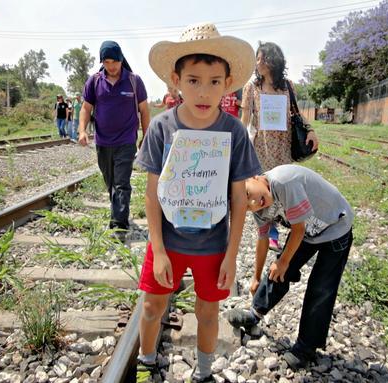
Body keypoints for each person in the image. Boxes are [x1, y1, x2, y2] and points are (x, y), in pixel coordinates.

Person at [135, 22, 261, 383]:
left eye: (214, 81)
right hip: (169, 244)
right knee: (152, 305)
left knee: (208, 311)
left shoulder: (233, 131)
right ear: (176, 80)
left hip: (213, 246)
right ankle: (145, 363)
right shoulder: (162, 128)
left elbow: (239, 198)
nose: (204, 92)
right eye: (193, 80)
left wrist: (232, 255)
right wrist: (157, 250)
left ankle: (203, 373)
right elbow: (151, 194)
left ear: (227, 83)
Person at [227, 164, 354, 370]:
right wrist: (256, 277)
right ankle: (255, 313)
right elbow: (264, 240)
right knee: (277, 270)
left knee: (320, 288)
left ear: (254, 177)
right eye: (247, 205)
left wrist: (283, 261)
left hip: (335, 227)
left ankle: (306, 347)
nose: (253, 203)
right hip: (308, 231)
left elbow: (298, 229)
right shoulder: (259, 207)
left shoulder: (284, 182)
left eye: (249, 193)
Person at [241, 42, 320, 250]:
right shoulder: (252, 87)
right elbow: (245, 117)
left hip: (283, 146)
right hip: (262, 146)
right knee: (263, 188)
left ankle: (292, 225)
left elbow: (296, 113)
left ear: (272, 60)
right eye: (256, 59)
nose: (257, 63)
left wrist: (310, 130)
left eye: (261, 58)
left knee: (282, 186)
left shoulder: (287, 86)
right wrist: (238, 143)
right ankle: (269, 231)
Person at [78, 41, 150, 241]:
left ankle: (119, 224)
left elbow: (144, 110)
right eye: (107, 62)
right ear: (102, 62)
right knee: (110, 181)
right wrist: (82, 130)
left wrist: (146, 135)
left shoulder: (134, 81)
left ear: (121, 60)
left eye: (115, 61)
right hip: (102, 141)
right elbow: (86, 108)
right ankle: (117, 211)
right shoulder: (94, 81)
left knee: (121, 182)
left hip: (126, 141)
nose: (111, 66)